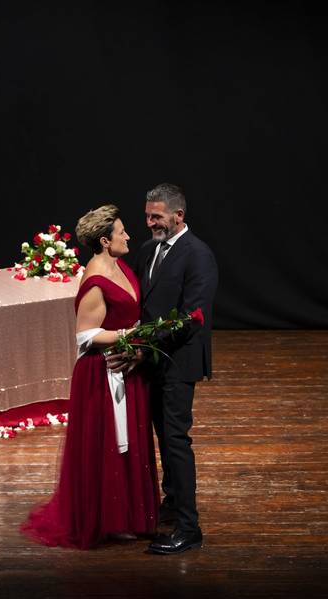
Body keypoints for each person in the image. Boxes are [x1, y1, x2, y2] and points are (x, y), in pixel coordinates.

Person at [21, 205, 159, 549]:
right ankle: (107, 518)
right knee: (108, 444)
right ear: (104, 240)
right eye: (121, 232)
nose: (128, 236)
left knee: (128, 440)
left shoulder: (118, 265)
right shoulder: (96, 279)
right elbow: (85, 334)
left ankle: (129, 513)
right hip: (103, 371)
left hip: (125, 366)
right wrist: (134, 333)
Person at [111, 183, 218, 555]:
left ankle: (189, 528)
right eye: (146, 216)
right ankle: (171, 504)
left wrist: (145, 348)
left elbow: (192, 318)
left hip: (179, 362)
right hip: (152, 361)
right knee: (161, 437)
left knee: (175, 439)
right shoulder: (148, 249)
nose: (150, 222)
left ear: (178, 216)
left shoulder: (198, 255)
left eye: (156, 216)